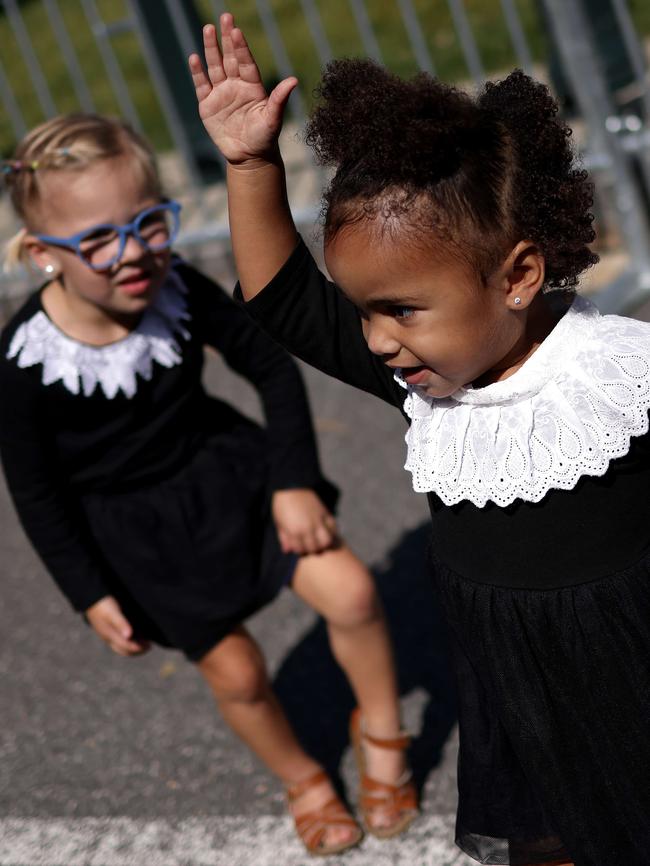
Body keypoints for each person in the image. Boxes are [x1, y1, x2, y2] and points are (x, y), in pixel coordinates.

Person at [189, 14, 650, 866]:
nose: (374, 340)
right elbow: (285, 299)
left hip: (631, 681)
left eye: (400, 310)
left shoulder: (623, 378)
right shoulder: (433, 386)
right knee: (543, 840)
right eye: (364, 310)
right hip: (514, 694)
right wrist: (251, 164)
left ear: (517, 275)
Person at [0, 113, 418, 857]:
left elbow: (269, 365)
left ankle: (383, 734)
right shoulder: (25, 363)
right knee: (240, 673)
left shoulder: (179, 290)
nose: (133, 255)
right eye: (97, 239)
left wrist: (294, 481)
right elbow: (37, 492)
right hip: (141, 539)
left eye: (149, 224)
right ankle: (302, 779)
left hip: (236, 480)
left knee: (352, 592)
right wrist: (88, 592)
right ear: (41, 254)